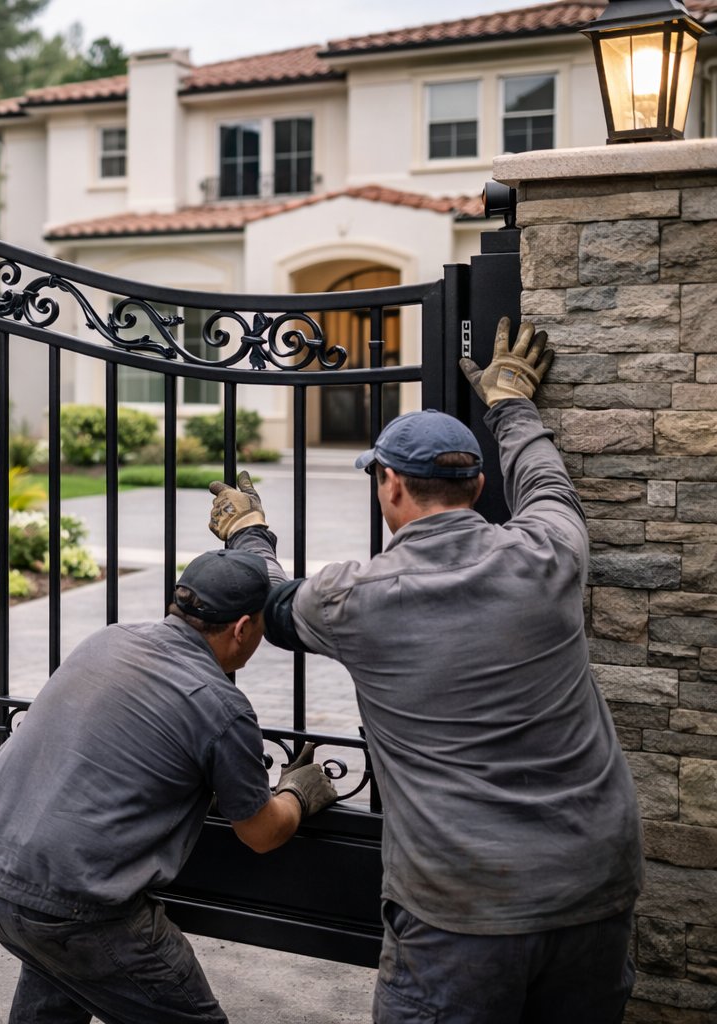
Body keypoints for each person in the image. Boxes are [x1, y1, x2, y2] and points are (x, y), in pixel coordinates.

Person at [207, 319, 642, 1024]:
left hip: (460, 907)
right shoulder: (549, 555)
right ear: (474, 484)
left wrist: (247, 531)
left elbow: (267, 596)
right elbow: (547, 483)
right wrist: (511, 404)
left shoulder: (355, 599)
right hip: (594, 883)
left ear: (391, 487)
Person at [0, 541, 338, 1024]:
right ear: (244, 628)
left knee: (61, 973)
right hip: (74, 908)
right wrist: (298, 794)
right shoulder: (221, 706)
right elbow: (261, 832)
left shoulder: (109, 639)